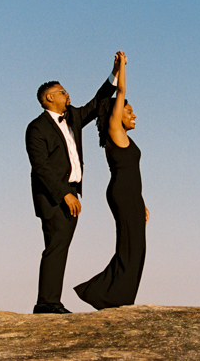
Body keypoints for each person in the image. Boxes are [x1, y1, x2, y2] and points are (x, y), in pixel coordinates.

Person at [25, 52, 122, 314]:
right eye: (62, 92)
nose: (68, 95)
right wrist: (65, 194)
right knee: (56, 247)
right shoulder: (36, 128)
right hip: (53, 197)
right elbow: (41, 167)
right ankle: (47, 303)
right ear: (49, 98)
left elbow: (97, 102)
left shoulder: (74, 118)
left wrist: (114, 73)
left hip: (70, 194)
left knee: (58, 248)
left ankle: (48, 301)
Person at [74, 52, 149, 310]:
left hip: (130, 195)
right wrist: (119, 68)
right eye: (128, 110)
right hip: (122, 194)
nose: (134, 114)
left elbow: (132, 175)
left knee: (135, 249)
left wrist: (142, 203)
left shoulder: (122, 138)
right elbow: (121, 91)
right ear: (117, 114)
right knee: (130, 248)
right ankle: (109, 297)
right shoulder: (114, 131)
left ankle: (119, 297)